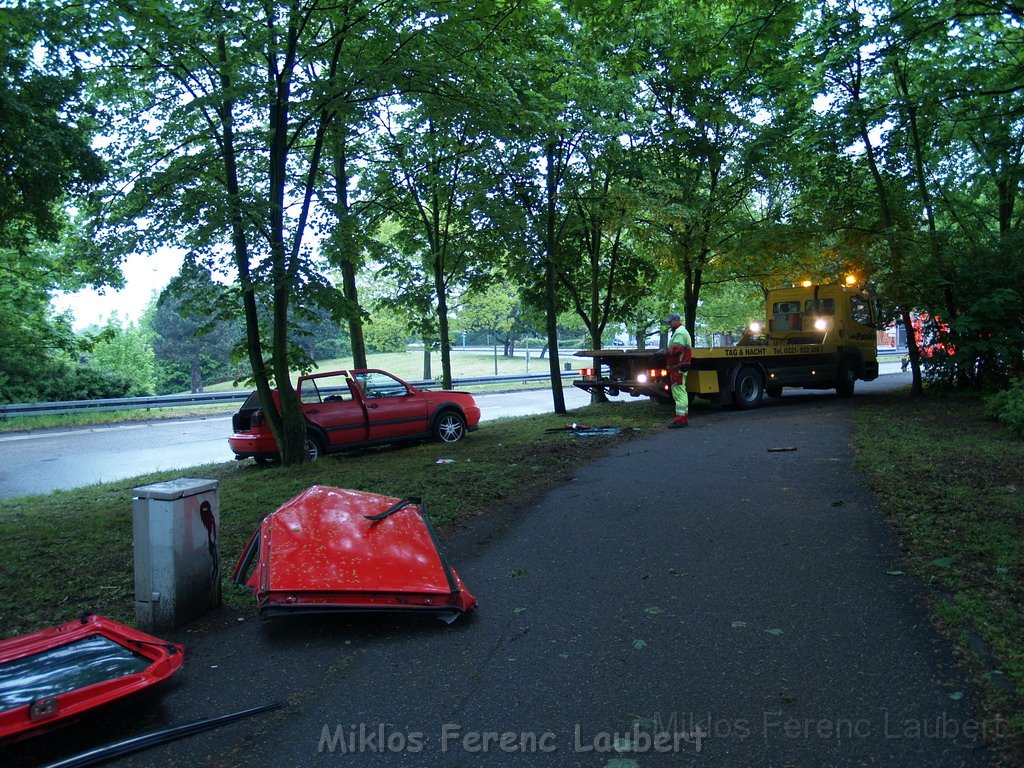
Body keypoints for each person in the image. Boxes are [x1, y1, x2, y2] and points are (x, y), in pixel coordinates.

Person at [663, 313, 692, 428]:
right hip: (680, 366)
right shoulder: (680, 331)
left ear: (676, 320)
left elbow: (677, 349)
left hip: (678, 367)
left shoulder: (679, 332)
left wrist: (665, 352)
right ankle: (682, 418)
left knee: (679, 392)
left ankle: (681, 419)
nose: (669, 324)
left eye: (670, 322)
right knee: (680, 391)